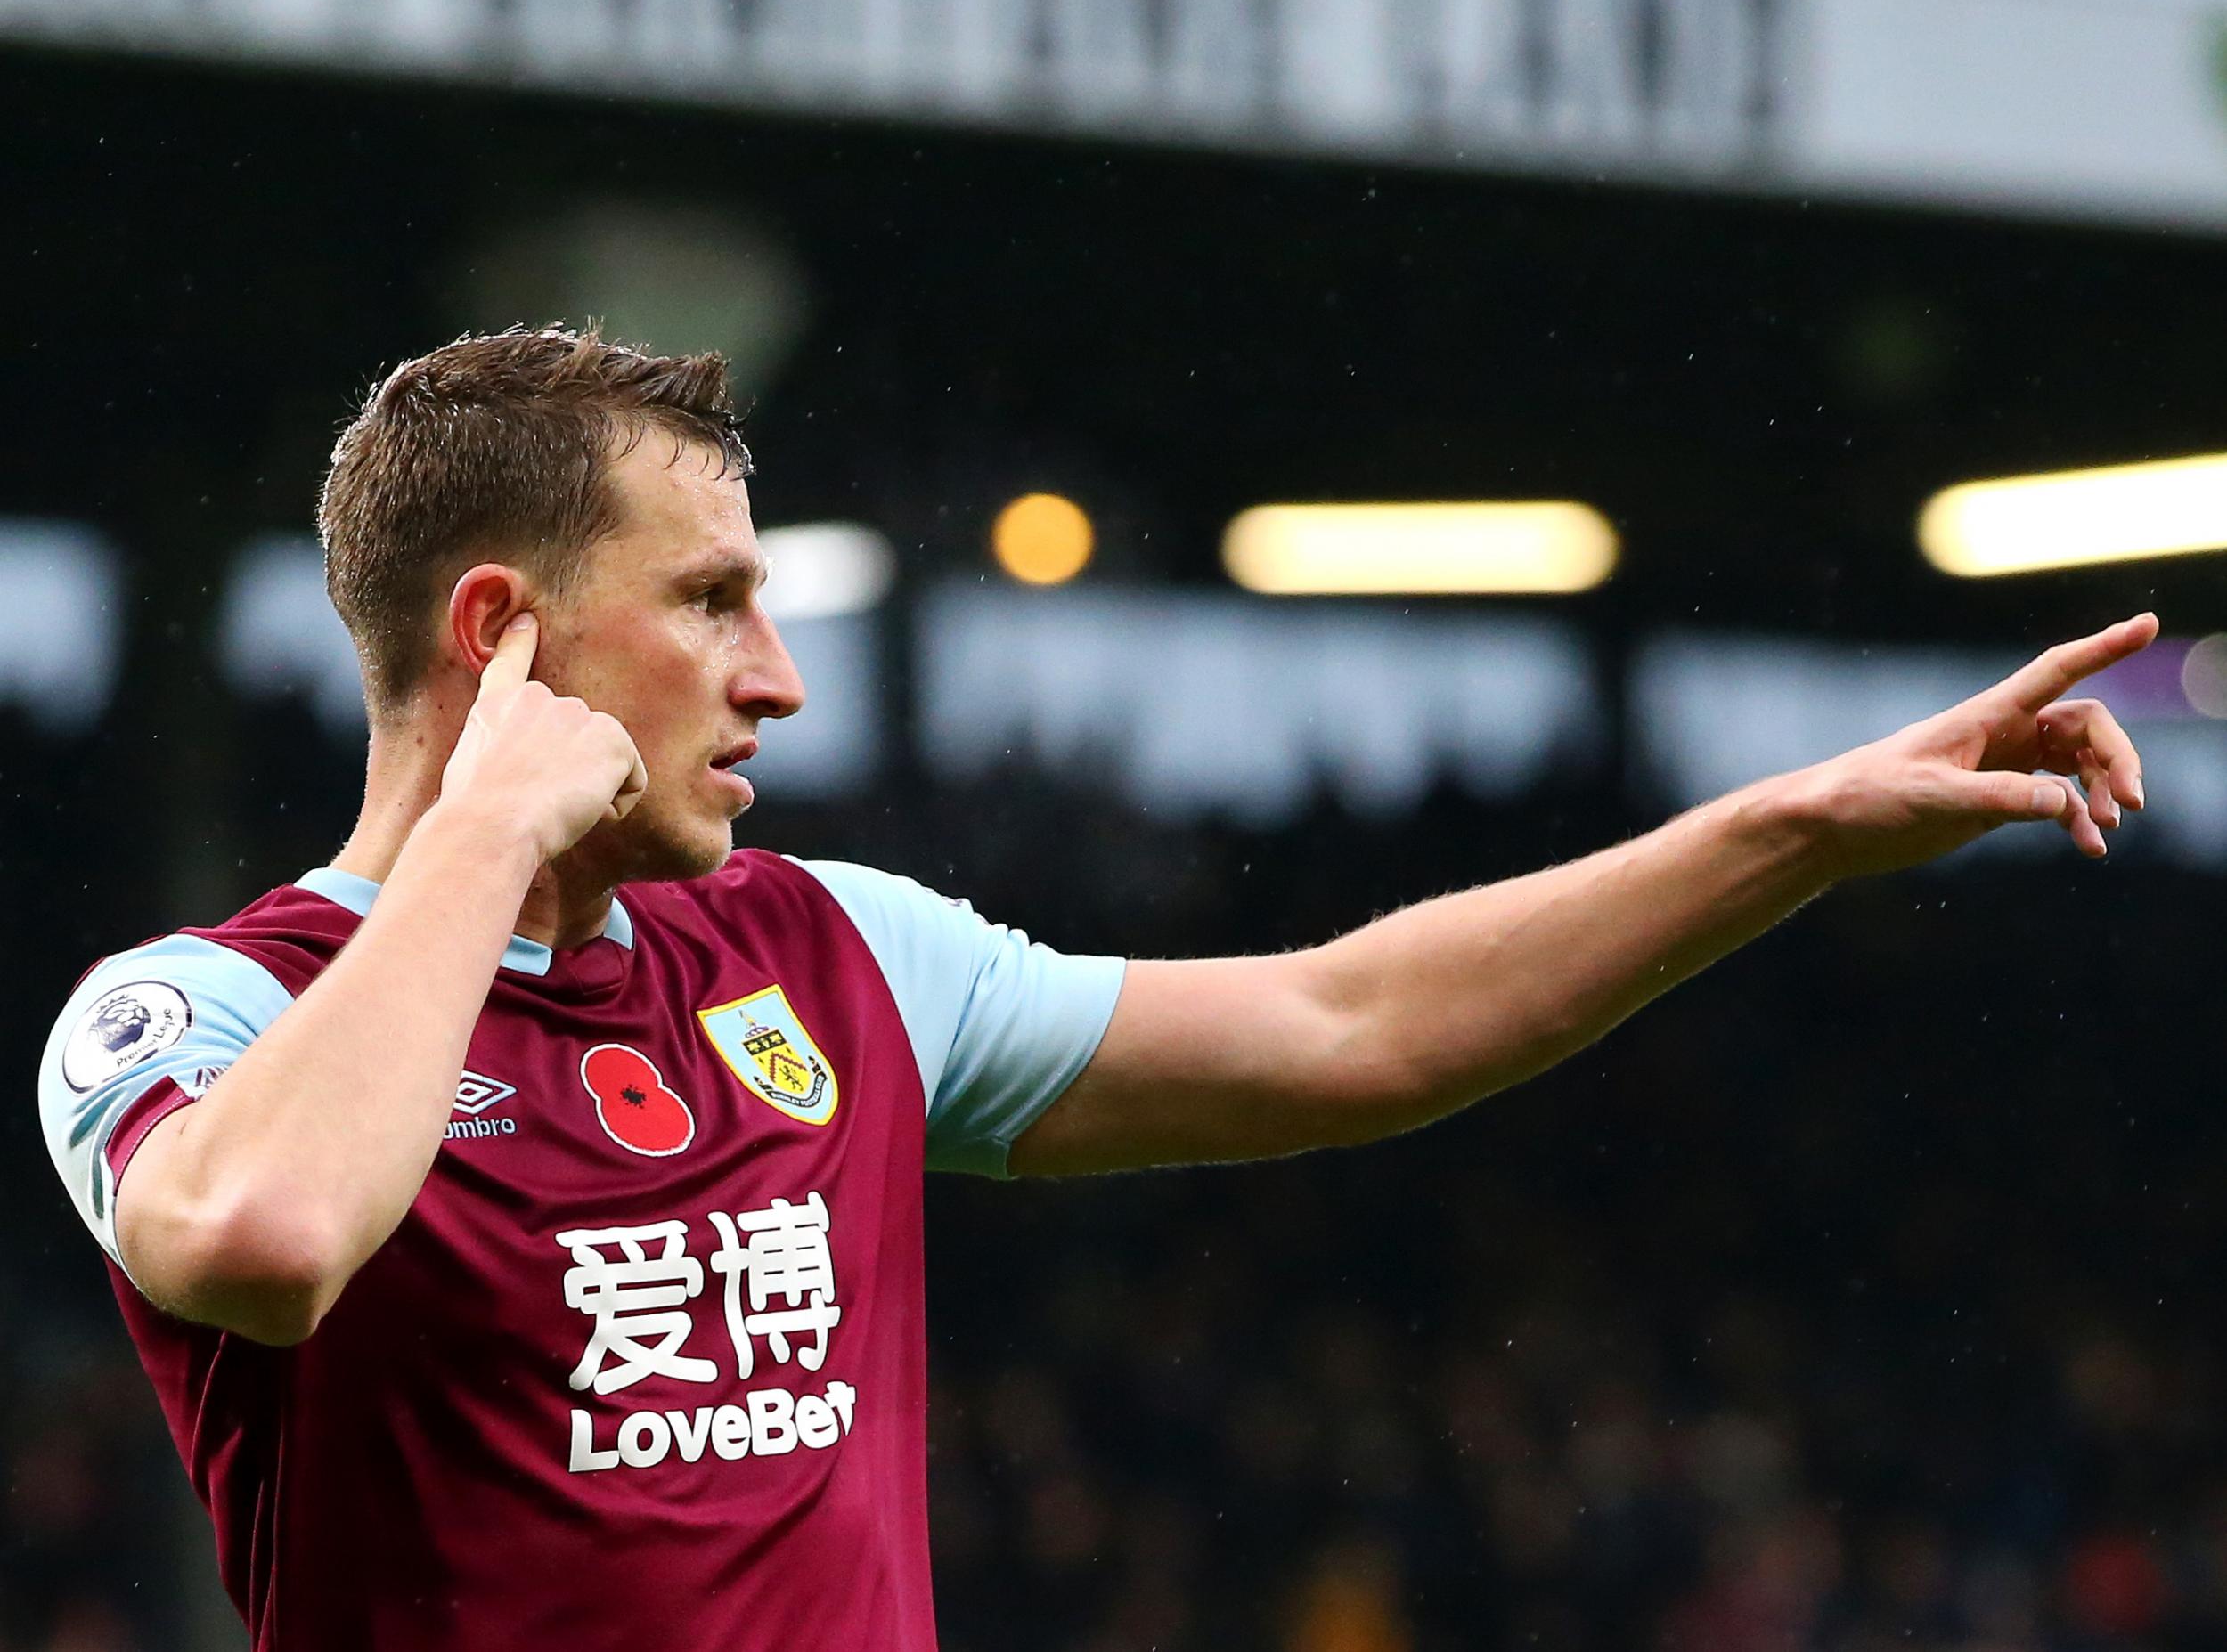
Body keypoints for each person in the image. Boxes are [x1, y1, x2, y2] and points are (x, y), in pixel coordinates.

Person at [37, 328, 2152, 1652]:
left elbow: (1351, 1026)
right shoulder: (189, 1017)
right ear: (497, 631)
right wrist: (487, 831)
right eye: (710, 602)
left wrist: (1787, 823)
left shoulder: (830, 950)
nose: (776, 672)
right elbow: (269, 1235)